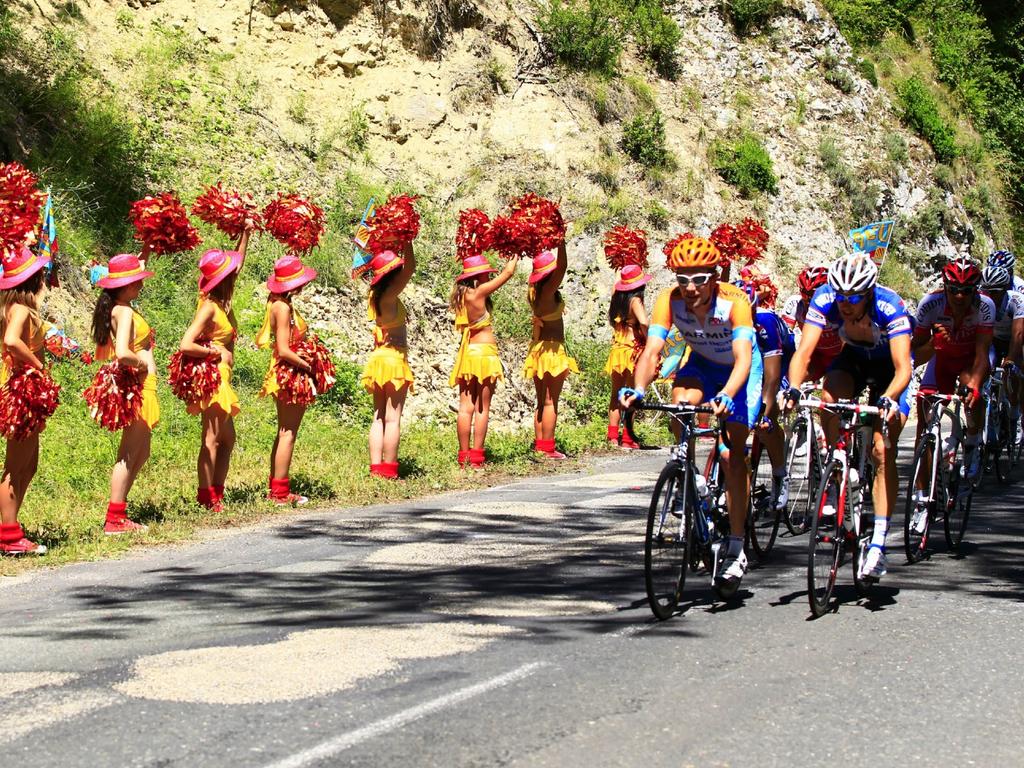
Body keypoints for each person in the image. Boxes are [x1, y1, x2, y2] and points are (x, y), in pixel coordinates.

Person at [621, 237, 762, 589]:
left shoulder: (735, 302)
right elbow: (652, 350)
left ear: (713, 278)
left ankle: (736, 546)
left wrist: (729, 395)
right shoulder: (669, 301)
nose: (690, 288)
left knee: (731, 456)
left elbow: (744, 358)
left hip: (739, 372)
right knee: (680, 401)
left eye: (698, 279)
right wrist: (638, 390)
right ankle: (687, 470)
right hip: (701, 363)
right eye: (683, 280)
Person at [785, 254, 913, 581]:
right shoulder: (826, 298)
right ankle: (837, 466)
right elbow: (804, 351)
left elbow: (904, 368)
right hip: (854, 360)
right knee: (829, 398)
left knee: (882, 450)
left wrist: (889, 398)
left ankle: (880, 543)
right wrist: (795, 387)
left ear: (868, 293)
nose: (844, 303)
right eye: (840, 296)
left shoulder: (889, 306)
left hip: (890, 373)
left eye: (852, 298)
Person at [179, 232, 251, 513]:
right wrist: (214, 353)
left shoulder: (222, 304)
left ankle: (215, 491)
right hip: (214, 376)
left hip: (223, 376)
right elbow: (185, 344)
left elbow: (238, 264)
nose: (235, 277)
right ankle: (206, 495)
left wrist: (246, 233)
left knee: (227, 438)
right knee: (211, 438)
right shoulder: (208, 307)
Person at [92, 253, 158, 534]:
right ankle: (114, 517)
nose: (140, 285)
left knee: (141, 451)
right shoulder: (125, 311)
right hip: (139, 385)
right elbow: (121, 353)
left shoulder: (118, 307)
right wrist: (143, 363)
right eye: (136, 282)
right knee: (130, 453)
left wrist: (146, 247)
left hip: (143, 386)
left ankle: (120, 512)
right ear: (125, 285)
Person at [911, 258, 993, 479]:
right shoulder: (930, 303)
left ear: (975, 290)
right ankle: (921, 499)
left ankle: (973, 442)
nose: (959, 296)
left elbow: (983, 353)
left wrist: (975, 385)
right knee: (925, 423)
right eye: (954, 289)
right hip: (941, 362)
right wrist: (933, 344)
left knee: (971, 389)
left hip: (970, 361)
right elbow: (914, 356)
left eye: (966, 291)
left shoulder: (985, 305)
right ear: (945, 287)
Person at [0, 247, 54, 554]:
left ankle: (11, 526)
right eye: (40, 273)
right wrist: (37, 364)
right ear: (31, 278)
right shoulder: (20, 308)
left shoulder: (18, 306)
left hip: (25, 389)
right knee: (15, 466)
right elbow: (11, 341)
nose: (44, 276)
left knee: (29, 464)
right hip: (21, 389)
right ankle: (8, 536)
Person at [256, 254, 320, 505]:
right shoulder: (281, 307)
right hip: (288, 371)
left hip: (285, 369)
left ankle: (277, 487)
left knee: (284, 430)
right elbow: (283, 348)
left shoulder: (279, 303)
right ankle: (280, 493)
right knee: (288, 432)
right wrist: (309, 365)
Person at [448, 253, 519, 468]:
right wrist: (515, 253)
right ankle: (477, 457)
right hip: (485, 354)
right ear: (478, 277)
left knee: (464, 407)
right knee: (482, 407)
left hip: (468, 354)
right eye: (487, 274)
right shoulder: (478, 292)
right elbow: (508, 272)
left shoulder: (460, 297)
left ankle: (463, 456)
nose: (488, 277)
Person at [738, 277, 795, 511]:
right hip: (749, 363)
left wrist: (765, 408)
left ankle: (780, 475)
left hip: (781, 363)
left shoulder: (765, 323)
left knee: (765, 423)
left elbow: (771, 379)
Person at [361, 244, 416, 479]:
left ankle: (376, 468)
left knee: (378, 415)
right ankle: (390, 468)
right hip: (393, 359)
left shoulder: (375, 294)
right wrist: (408, 242)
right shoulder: (390, 295)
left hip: (377, 358)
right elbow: (411, 268)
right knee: (393, 417)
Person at [524, 243, 578, 458]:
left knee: (541, 400)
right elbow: (562, 267)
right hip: (552, 351)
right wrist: (561, 242)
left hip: (538, 350)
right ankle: (548, 448)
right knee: (550, 401)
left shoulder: (535, 293)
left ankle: (540, 445)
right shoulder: (547, 291)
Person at [604, 264, 651, 449]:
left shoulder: (617, 298)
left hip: (617, 349)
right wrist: (649, 341)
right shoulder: (635, 301)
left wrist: (620, 266)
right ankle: (628, 438)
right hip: (632, 349)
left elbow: (616, 283)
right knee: (631, 394)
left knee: (616, 394)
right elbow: (645, 322)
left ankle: (613, 436)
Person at [980, 264, 1024, 444]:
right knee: (983, 368)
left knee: (1014, 371)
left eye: (996, 292)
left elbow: (1018, 335)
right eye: (987, 290)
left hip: (1015, 340)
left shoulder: (1017, 300)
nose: (991, 295)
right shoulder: (980, 300)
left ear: (1005, 289)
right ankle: (988, 417)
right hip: (994, 341)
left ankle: (1015, 413)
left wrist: (1011, 359)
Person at [781, 264, 841, 381]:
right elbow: (785, 338)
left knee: (829, 392)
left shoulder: (838, 307)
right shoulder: (795, 304)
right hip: (816, 356)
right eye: (804, 293)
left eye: (812, 294)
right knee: (791, 376)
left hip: (839, 356)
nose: (808, 299)